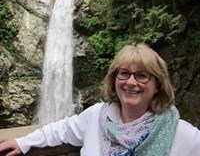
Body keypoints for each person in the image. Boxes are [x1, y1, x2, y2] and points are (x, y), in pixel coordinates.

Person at [0, 43, 200, 156]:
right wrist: (24, 142)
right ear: (114, 79)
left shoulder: (182, 134)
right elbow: (61, 129)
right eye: (123, 73)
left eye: (142, 75)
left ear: (157, 85)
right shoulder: (97, 116)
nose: (131, 82)